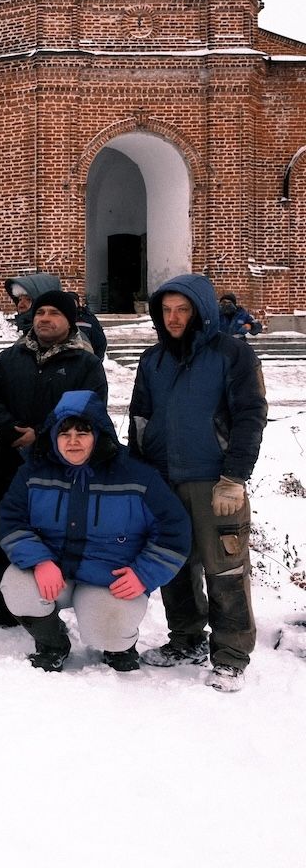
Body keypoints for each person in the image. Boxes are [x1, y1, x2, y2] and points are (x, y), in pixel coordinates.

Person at [129, 274, 268, 692]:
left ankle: (230, 653)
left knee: (225, 568)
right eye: (166, 310)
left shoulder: (233, 354)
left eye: (182, 310)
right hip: (163, 481)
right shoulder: (153, 359)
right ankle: (186, 638)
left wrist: (234, 477)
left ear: (200, 311)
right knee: (173, 565)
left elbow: (249, 416)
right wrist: (140, 478)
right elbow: (139, 419)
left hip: (214, 483)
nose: (173, 318)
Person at [0, 391, 191, 672]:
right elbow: (11, 520)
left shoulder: (137, 476)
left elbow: (174, 531)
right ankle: (53, 643)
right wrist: (39, 560)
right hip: (56, 571)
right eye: (64, 433)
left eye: (82, 432)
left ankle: (119, 645)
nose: (73, 441)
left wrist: (144, 573)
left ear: (98, 435)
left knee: (108, 627)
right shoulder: (34, 473)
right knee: (17, 585)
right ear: (53, 437)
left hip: (109, 580)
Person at [0, 289, 107, 630]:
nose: (45, 318)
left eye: (54, 313)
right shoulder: (12, 357)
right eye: (41, 312)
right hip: (10, 462)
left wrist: (42, 436)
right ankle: (2, 604)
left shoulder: (84, 362)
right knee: (3, 530)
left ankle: (45, 611)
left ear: (69, 320)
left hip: (60, 468)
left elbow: (88, 412)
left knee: (52, 535)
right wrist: (8, 429)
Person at [5, 271, 106, 360]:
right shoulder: (22, 344)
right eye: (19, 299)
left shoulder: (76, 347)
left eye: (28, 299)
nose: (20, 305)